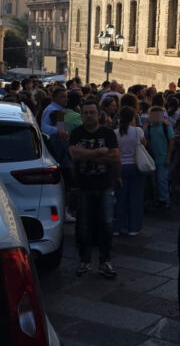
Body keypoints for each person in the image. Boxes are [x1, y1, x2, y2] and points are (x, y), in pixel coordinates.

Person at [69, 99, 120, 279]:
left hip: (105, 185)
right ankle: (85, 260)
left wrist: (86, 155)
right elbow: (74, 155)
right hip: (84, 186)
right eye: (86, 113)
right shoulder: (76, 133)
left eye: (92, 112)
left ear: (99, 114)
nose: (89, 116)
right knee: (84, 225)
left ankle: (105, 260)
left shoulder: (108, 133)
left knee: (107, 223)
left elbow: (114, 157)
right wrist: (99, 152)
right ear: (81, 115)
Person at [114, 106, 146, 237]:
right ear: (133, 118)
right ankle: (133, 227)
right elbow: (144, 144)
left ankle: (118, 226)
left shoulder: (115, 133)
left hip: (120, 167)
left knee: (120, 199)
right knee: (135, 198)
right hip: (135, 166)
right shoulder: (138, 131)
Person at [145, 106, 174, 208]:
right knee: (155, 181)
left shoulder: (166, 126)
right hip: (153, 158)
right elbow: (144, 137)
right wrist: (146, 124)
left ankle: (164, 199)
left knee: (162, 179)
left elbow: (171, 141)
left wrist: (168, 157)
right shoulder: (149, 127)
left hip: (163, 157)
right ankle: (158, 198)